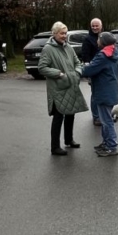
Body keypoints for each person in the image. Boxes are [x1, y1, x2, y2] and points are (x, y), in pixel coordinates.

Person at [38, 21, 88, 156]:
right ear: (54, 34)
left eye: (65, 33)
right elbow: (42, 68)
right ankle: (55, 147)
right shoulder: (48, 49)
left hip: (71, 85)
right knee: (58, 117)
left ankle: (69, 140)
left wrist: (77, 73)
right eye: (61, 33)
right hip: (58, 88)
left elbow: (77, 62)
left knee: (71, 113)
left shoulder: (68, 47)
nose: (64, 36)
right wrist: (59, 74)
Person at [82, 32, 118, 157]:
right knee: (105, 119)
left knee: (106, 120)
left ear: (103, 42)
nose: (97, 41)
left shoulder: (103, 55)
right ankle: (106, 142)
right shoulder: (113, 52)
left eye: (98, 39)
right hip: (110, 90)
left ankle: (111, 146)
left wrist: (81, 68)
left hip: (104, 91)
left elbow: (89, 70)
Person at [81, 18, 103, 126]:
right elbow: (85, 55)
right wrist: (88, 71)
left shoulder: (103, 37)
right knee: (95, 94)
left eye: (96, 25)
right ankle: (96, 117)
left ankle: (103, 115)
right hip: (94, 70)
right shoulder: (88, 39)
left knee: (103, 94)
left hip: (104, 71)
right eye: (93, 26)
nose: (94, 27)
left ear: (101, 26)